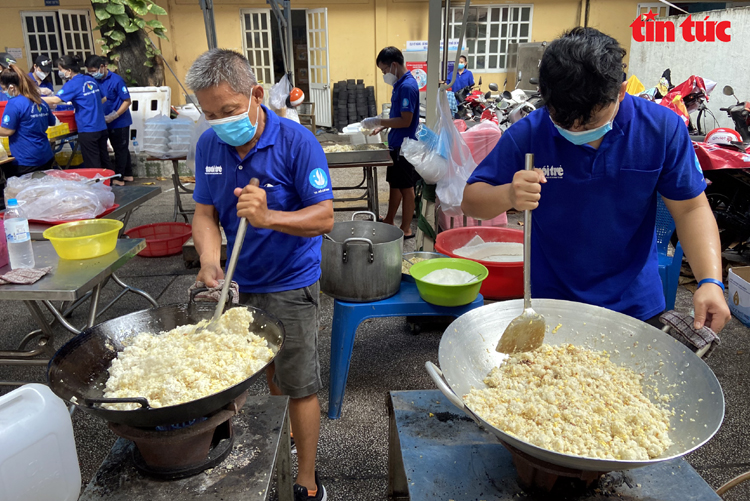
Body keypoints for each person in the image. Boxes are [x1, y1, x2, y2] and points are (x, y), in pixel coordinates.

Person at [462, 27, 731, 334]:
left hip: (635, 306)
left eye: (589, 122)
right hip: (550, 304)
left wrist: (710, 281)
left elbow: (690, 209)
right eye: (563, 121)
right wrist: (509, 195)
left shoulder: (661, 130)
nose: (575, 132)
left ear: (620, 91)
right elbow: (472, 199)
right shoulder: (530, 132)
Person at [185, 48, 333, 501]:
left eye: (229, 111)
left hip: (290, 283)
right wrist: (210, 258)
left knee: (298, 384)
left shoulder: (296, 141)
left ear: (255, 94)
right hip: (239, 284)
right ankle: (274, 441)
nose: (221, 121)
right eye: (210, 114)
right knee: (249, 375)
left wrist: (271, 219)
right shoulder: (210, 144)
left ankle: (305, 481)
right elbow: (205, 212)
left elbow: (325, 216)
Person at [362, 46, 420, 238]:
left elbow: (406, 120)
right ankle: (389, 219)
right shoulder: (399, 84)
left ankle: (406, 228)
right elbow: (397, 116)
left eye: (384, 70)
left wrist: (378, 121)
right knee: (395, 184)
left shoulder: (407, 87)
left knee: (406, 188)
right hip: (396, 144)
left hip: (405, 147)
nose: (385, 74)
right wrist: (384, 126)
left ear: (394, 65)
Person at [0, 64, 56, 209]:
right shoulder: (39, 101)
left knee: (27, 199)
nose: (3, 91)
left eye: (3, 88)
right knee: (43, 194)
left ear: (11, 87)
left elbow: (7, 131)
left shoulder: (14, 103)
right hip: (45, 155)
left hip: (26, 159)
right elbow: (51, 121)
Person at [43, 55, 111, 171]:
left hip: (88, 128)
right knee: (104, 158)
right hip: (101, 126)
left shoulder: (72, 84)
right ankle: (109, 182)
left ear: (69, 71)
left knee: (93, 163)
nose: (60, 72)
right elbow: (103, 98)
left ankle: (98, 186)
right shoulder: (90, 79)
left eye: (60, 70)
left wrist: (33, 98)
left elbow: (55, 100)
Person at [85, 55, 133, 185]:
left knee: (120, 149)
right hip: (104, 121)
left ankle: (119, 177)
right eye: (90, 71)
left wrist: (114, 115)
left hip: (119, 121)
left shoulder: (117, 80)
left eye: (94, 70)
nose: (92, 74)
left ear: (103, 66)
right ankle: (128, 174)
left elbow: (127, 101)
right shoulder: (93, 82)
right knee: (121, 148)